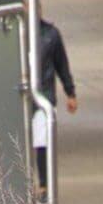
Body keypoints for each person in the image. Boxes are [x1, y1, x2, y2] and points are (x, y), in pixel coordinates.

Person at [34, 15, 78, 194]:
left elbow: (62, 65)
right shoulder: (16, 31)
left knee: (42, 139)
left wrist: (70, 92)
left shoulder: (51, 34)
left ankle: (44, 184)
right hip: (22, 95)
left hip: (44, 94)